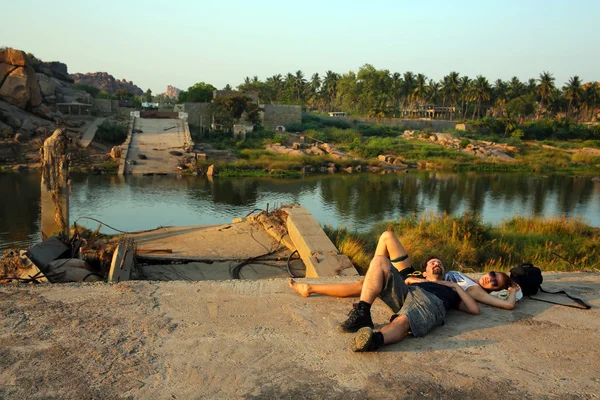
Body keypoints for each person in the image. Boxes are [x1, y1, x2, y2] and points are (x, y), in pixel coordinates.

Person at [289, 231, 522, 310]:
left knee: (363, 287)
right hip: (415, 274)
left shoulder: (474, 291)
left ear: (494, 290)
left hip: (412, 284)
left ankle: (309, 288)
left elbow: (509, 305)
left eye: (494, 282)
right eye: (493, 273)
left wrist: (513, 288)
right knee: (387, 236)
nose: (489, 278)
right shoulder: (471, 278)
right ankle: (375, 275)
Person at [342, 254, 479, 352]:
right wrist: (414, 281)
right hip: (409, 293)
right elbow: (404, 281)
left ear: (444, 272)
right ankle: (363, 312)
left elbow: (474, 309)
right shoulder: (417, 280)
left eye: (440, 264)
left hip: (429, 300)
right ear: (425, 273)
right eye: (433, 263)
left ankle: (375, 340)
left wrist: (456, 286)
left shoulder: (450, 290)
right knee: (380, 260)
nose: (437, 264)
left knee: (403, 319)